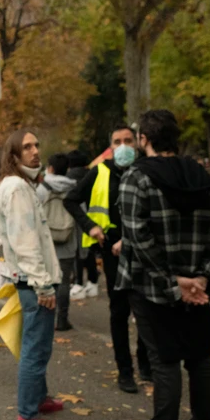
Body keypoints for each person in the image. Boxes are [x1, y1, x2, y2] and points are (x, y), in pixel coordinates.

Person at [111, 110, 210, 420]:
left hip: (151, 288)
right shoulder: (201, 176)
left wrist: (169, 280)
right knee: (199, 359)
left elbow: (137, 236)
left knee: (165, 363)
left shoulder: (137, 177)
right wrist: (203, 275)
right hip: (197, 287)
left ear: (144, 140)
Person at [64, 126, 152, 394]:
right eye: (117, 141)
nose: (123, 145)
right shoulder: (100, 171)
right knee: (120, 311)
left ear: (137, 143)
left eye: (128, 140)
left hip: (144, 249)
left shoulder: (147, 169)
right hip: (112, 251)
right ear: (110, 147)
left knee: (146, 309)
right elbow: (71, 200)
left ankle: (146, 365)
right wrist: (90, 226)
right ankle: (125, 371)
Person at [0, 131, 67, 420]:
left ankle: (38, 397)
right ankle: (27, 414)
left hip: (32, 280)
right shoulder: (16, 188)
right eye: (27, 147)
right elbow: (25, 243)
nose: (35, 151)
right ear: (14, 156)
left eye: (36, 145)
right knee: (35, 349)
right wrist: (43, 285)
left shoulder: (21, 185)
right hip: (34, 282)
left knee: (38, 344)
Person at [36, 153, 79, 332]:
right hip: (68, 239)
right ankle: (62, 319)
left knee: (46, 279)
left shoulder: (41, 188)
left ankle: (46, 317)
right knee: (64, 282)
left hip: (46, 241)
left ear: (51, 168)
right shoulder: (73, 188)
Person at [65, 150, 99, 298]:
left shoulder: (68, 179)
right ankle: (93, 281)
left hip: (76, 219)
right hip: (94, 219)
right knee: (89, 252)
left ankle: (78, 283)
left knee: (77, 252)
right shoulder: (93, 175)